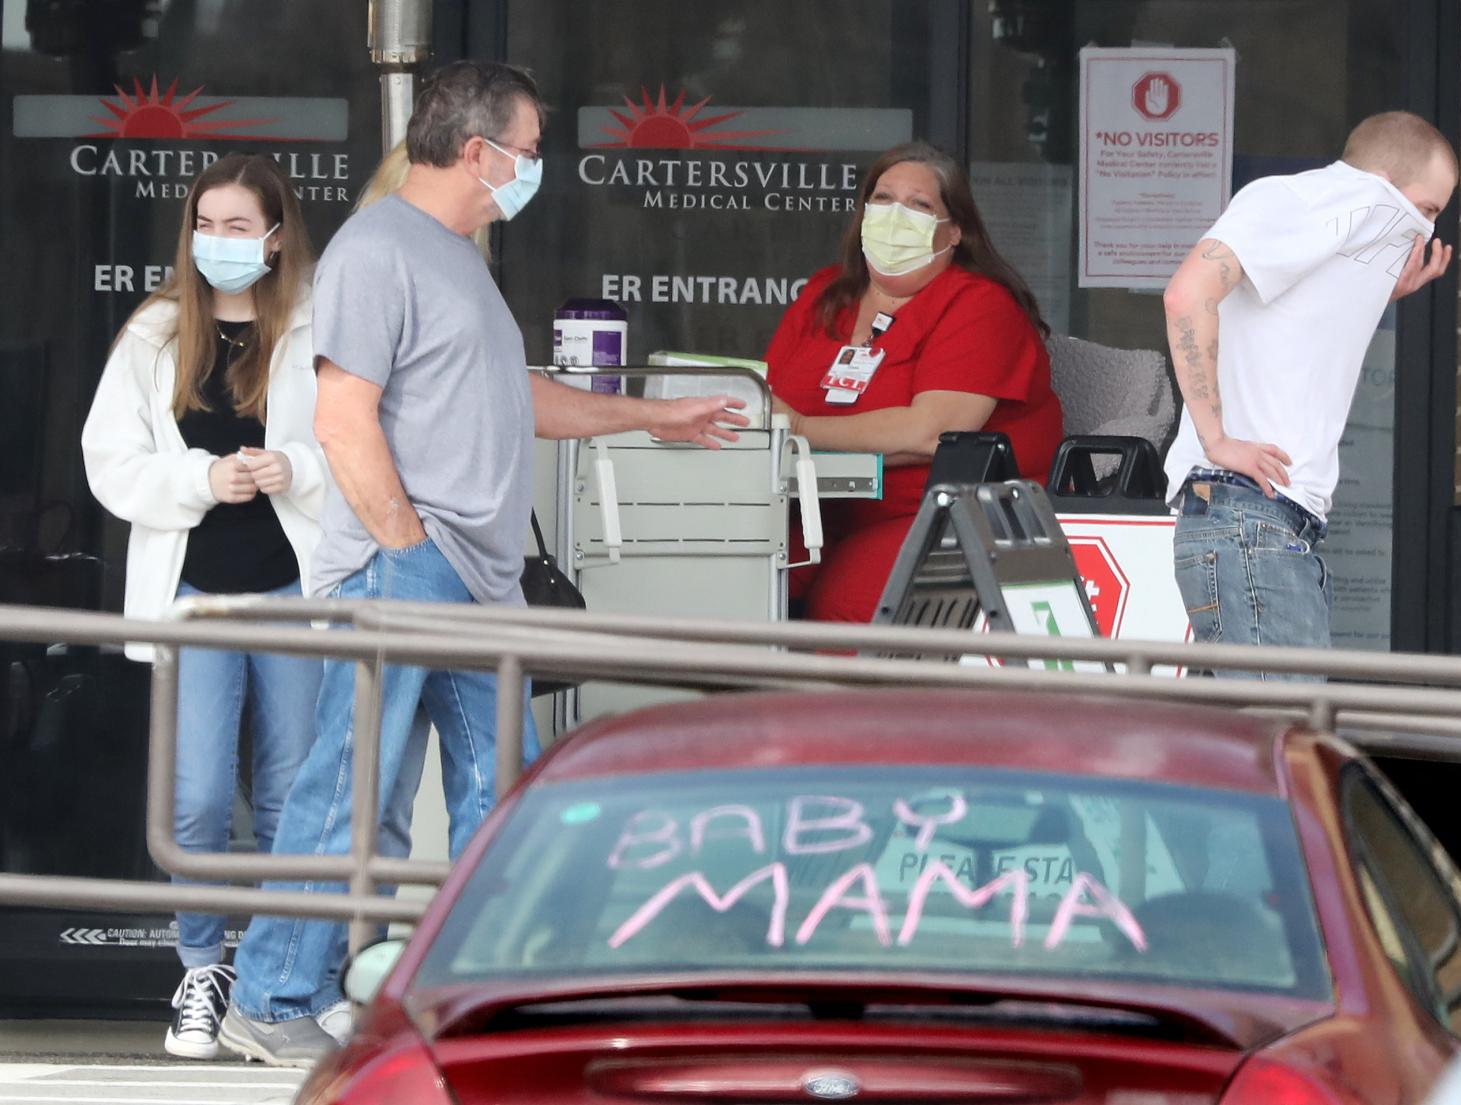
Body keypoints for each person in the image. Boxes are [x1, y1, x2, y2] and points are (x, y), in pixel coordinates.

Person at [219, 60, 747, 1067]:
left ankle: (481, 1005)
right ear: (479, 152)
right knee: (356, 790)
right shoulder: (381, 250)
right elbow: (342, 419)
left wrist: (654, 416)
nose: (535, 168)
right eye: (532, 150)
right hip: (411, 566)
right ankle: (274, 992)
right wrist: (408, 552)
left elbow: (519, 397)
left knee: (495, 796)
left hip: (467, 575)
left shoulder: (457, 256)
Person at [79, 154, 330, 1059]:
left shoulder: (313, 320)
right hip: (193, 598)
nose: (220, 242)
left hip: (296, 589)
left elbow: (358, 444)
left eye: (239, 227)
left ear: (276, 235)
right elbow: (109, 463)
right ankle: (200, 966)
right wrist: (201, 476)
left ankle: (287, 982)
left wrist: (293, 467)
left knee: (295, 792)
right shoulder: (156, 329)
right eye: (207, 224)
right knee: (191, 799)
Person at [1162, 111, 1456, 679]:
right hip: (1250, 514)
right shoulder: (1327, 200)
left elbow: (1293, 326)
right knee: (1286, 741)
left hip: (1264, 521)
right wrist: (1216, 438)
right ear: (1384, 181)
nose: (1425, 231)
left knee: (1260, 745)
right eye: (1425, 210)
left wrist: (1374, 290)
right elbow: (1186, 295)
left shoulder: (1338, 221)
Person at [765, 142, 1062, 623]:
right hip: (808, 503)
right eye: (882, 199)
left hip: (935, 515)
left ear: (956, 232)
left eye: (919, 205)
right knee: (725, 585)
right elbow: (765, 402)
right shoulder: (825, 294)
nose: (895, 215)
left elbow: (933, 432)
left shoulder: (979, 305)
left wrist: (798, 426)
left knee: (843, 616)